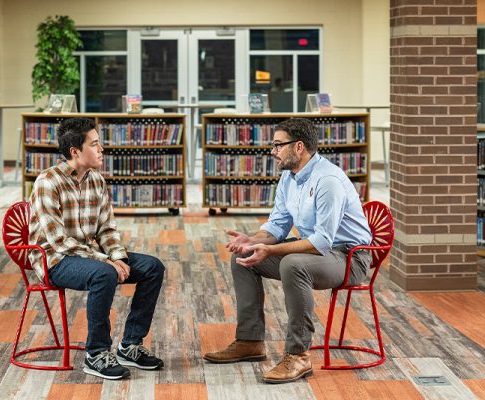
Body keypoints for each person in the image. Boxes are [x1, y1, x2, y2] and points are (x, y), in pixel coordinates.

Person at [203, 118, 372, 384]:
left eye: (278, 145)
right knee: (243, 258)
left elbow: (322, 242)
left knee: (293, 264)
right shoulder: (289, 178)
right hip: (317, 250)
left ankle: (298, 355)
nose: (273, 151)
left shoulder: (328, 180)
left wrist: (271, 251)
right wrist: (253, 240)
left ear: (299, 147)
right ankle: (250, 341)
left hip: (350, 257)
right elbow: (277, 226)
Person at [29, 117, 165, 380]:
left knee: (152, 267)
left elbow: (106, 229)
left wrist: (118, 256)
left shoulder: (96, 181)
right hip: (54, 260)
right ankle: (96, 354)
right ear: (75, 151)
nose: (101, 149)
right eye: (95, 144)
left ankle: (130, 346)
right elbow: (59, 241)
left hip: (88, 255)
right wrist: (106, 262)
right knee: (104, 274)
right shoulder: (48, 182)